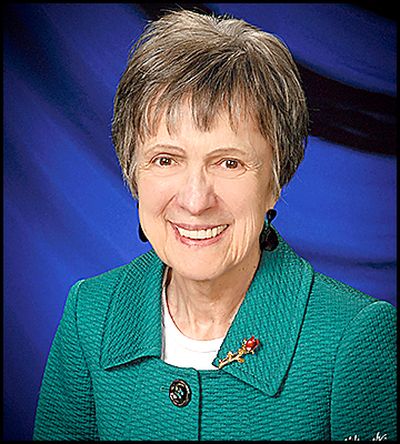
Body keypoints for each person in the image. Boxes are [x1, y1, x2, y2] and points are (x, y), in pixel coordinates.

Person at [33, 9, 396, 441]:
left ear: (275, 181)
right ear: (134, 172)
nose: (195, 200)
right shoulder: (89, 314)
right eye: (165, 159)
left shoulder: (355, 338)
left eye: (228, 162)